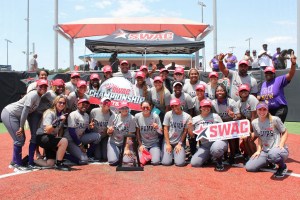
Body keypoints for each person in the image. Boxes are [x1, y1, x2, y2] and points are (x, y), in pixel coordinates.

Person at [1, 79, 48, 171]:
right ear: (36, 87)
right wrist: (21, 127)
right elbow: (25, 111)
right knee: (19, 138)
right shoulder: (33, 94)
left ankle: (14, 162)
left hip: (14, 115)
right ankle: (18, 165)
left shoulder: (39, 96)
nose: (43, 88)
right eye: (41, 86)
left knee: (21, 139)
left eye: (45, 86)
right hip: (10, 113)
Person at [27, 78, 65, 167]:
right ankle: (31, 159)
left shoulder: (56, 95)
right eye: (58, 86)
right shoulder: (51, 93)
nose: (60, 88)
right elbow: (60, 101)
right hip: (36, 114)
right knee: (35, 136)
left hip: (44, 115)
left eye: (62, 86)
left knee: (49, 135)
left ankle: (43, 156)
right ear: (53, 86)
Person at [245, 102, 289, 178]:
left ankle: (282, 166)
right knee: (249, 167)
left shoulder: (275, 119)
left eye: (264, 109)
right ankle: (270, 162)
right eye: (260, 109)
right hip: (265, 151)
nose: (262, 112)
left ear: (267, 110)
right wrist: (258, 150)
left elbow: (285, 132)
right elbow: (259, 137)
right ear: (256, 110)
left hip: (278, 150)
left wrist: (281, 144)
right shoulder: (254, 122)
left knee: (273, 155)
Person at [189, 99, 228, 171]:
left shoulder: (216, 116)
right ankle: (209, 156)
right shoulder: (195, 119)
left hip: (217, 141)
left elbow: (224, 130)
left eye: (208, 106)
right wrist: (190, 127)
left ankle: (219, 161)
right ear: (200, 108)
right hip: (205, 146)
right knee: (195, 163)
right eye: (204, 106)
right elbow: (192, 135)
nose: (206, 108)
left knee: (216, 149)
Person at [258, 52, 297, 123]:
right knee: (268, 129)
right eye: (267, 73)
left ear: (273, 74)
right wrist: (259, 98)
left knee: (275, 126)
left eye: (270, 73)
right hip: (268, 110)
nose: (268, 74)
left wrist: (293, 64)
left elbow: (291, 74)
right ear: (264, 74)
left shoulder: (278, 80)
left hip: (280, 109)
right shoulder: (263, 84)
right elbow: (262, 98)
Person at [34, 95, 70, 171]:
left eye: (64, 103)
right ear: (55, 103)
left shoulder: (62, 114)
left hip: (50, 138)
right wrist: (58, 120)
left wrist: (58, 143)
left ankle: (30, 161)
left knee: (50, 164)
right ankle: (59, 164)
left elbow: (60, 130)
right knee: (64, 141)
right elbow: (47, 130)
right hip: (42, 137)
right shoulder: (50, 112)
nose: (62, 104)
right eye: (60, 102)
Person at [64, 99, 101, 165]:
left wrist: (90, 127)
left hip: (79, 138)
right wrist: (80, 145)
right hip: (70, 140)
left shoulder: (86, 115)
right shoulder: (73, 114)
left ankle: (88, 155)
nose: (85, 106)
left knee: (98, 136)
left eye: (87, 105)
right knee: (83, 161)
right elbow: (72, 132)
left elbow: (85, 130)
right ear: (78, 105)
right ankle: (65, 156)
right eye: (83, 104)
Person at [211, 84, 241, 164]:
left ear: (225, 92)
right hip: (220, 125)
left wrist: (233, 115)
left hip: (231, 124)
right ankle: (224, 155)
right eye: (217, 91)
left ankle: (232, 155)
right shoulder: (213, 103)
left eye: (221, 90)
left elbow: (239, 115)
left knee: (231, 139)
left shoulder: (231, 102)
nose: (219, 92)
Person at [162, 98, 191, 167]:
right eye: (172, 106)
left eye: (176, 105)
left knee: (180, 163)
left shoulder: (187, 116)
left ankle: (176, 154)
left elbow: (185, 131)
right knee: (166, 163)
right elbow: (165, 129)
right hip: (168, 141)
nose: (174, 107)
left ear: (180, 104)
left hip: (178, 142)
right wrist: (168, 144)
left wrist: (180, 144)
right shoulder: (168, 114)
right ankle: (168, 153)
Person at [106, 101, 136, 166]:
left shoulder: (132, 118)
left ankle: (122, 153)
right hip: (113, 142)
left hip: (125, 143)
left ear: (128, 109)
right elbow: (108, 133)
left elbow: (130, 134)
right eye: (122, 108)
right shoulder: (113, 117)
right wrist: (110, 131)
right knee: (112, 162)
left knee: (127, 162)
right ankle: (119, 154)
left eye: (126, 108)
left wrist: (127, 148)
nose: (124, 109)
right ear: (119, 109)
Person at [135, 101, 162, 165]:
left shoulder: (155, 116)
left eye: (147, 107)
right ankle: (148, 155)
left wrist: (157, 128)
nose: (145, 109)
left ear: (150, 107)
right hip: (144, 144)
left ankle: (151, 154)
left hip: (154, 143)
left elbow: (161, 132)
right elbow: (137, 132)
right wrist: (140, 145)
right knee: (138, 162)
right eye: (144, 107)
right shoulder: (137, 116)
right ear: (141, 108)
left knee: (155, 162)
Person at [236, 84, 259, 159]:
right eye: (241, 91)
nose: (243, 92)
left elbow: (254, 116)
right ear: (239, 93)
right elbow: (241, 117)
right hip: (251, 122)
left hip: (259, 122)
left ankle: (256, 157)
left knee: (249, 138)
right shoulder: (238, 103)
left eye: (245, 90)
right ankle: (250, 156)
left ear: (248, 91)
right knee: (245, 138)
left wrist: (248, 130)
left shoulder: (251, 98)